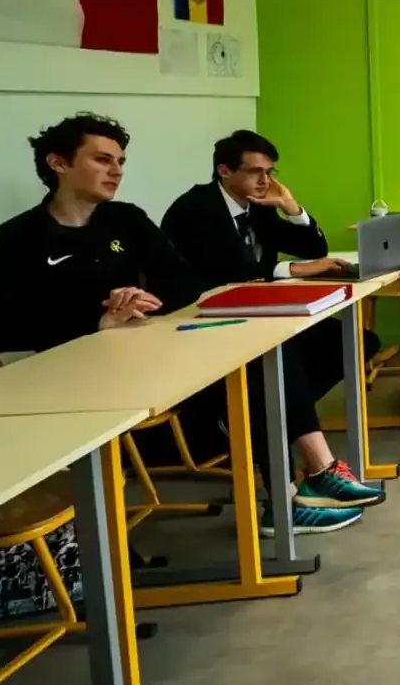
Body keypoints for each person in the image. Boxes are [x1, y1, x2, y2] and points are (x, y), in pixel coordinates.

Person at [162, 130, 384, 526]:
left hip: (253, 317)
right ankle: (301, 481)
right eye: (255, 172)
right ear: (223, 171)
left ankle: (254, 425)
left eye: (270, 172)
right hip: (207, 325)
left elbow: (313, 248)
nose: (264, 181)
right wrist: (295, 270)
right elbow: (231, 274)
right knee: (276, 365)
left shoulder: (259, 205)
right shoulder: (195, 210)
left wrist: (291, 206)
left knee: (352, 342)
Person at [0, 114, 196, 354]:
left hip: (138, 352)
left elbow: (184, 283)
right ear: (59, 163)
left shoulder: (129, 219)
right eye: (102, 160)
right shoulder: (11, 239)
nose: (117, 171)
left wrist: (141, 302)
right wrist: (95, 323)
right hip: (58, 369)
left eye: (120, 162)